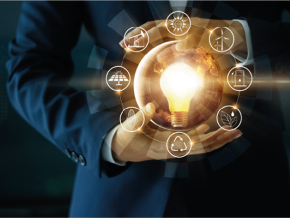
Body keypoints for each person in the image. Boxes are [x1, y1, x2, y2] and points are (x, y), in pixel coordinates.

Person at [6, 0, 290, 217]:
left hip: (250, 187)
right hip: (120, 196)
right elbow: (28, 70)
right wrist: (108, 140)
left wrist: (243, 35)